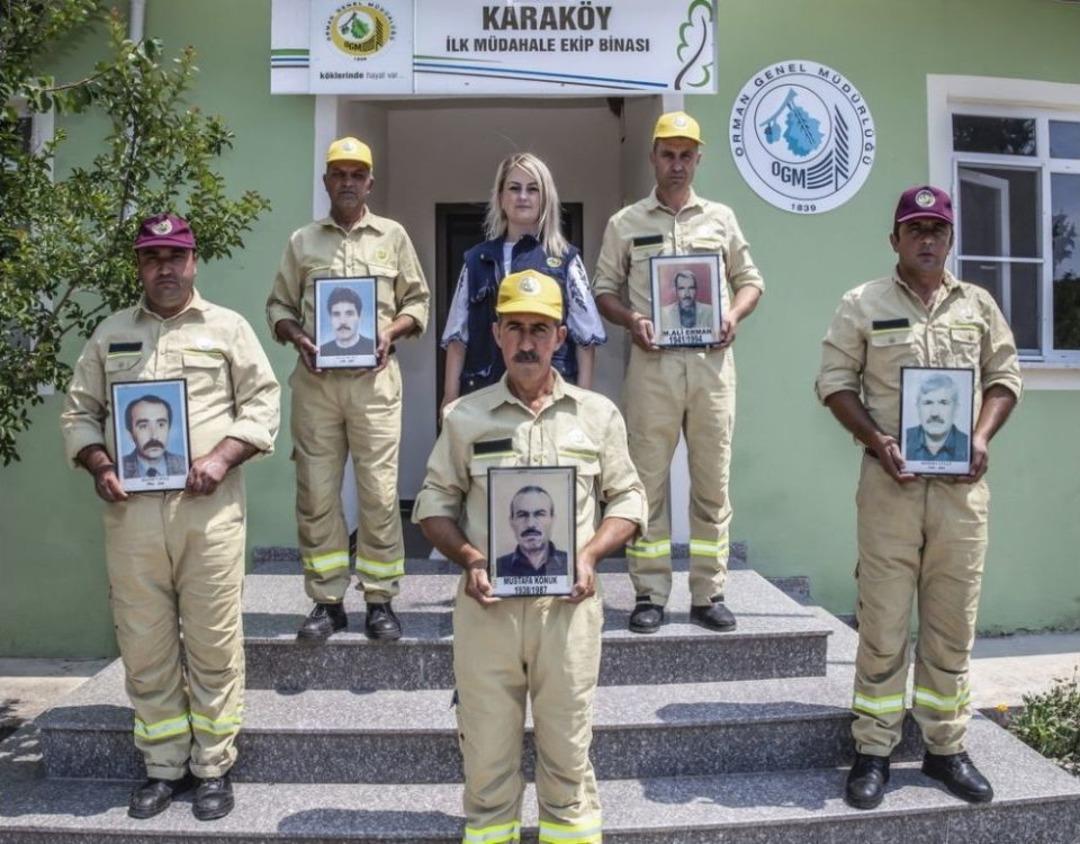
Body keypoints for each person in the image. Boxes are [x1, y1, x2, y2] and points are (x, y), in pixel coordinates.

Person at [61, 213, 280, 821]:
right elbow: (79, 413)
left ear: (193, 261)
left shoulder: (228, 329)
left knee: (213, 643)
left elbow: (264, 403)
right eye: (152, 257)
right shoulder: (110, 335)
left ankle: (213, 768)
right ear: (139, 265)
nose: (165, 267)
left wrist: (222, 455)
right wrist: (100, 463)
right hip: (131, 519)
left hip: (206, 514)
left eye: (175, 256)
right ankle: (162, 767)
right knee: (145, 644)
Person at [414, 269, 646, 844]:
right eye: (515, 327)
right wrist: (469, 556)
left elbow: (631, 498)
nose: (526, 341)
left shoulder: (597, 415)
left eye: (539, 329)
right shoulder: (465, 418)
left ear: (560, 338)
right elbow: (432, 503)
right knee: (488, 760)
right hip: (487, 613)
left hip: (567, 614)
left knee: (567, 757)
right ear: (496, 334)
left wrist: (591, 553)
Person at [815, 185, 1022, 810]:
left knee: (952, 624)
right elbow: (832, 382)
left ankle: (945, 749)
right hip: (890, 488)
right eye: (915, 229)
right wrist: (877, 440)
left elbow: (1005, 377)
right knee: (881, 622)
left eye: (937, 229)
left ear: (950, 238)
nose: (927, 239)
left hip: (961, 495)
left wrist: (980, 437)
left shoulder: (978, 306)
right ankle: (874, 750)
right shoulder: (863, 303)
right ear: (895, 239)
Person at [592, 110, 764, 634]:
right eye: (668, 154)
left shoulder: (721, 219)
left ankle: (708, 592)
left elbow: (751, 281)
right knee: (647, 484)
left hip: (712, 371)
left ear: (698, 158)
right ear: (653, 157)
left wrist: (732, 315)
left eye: (686, 155)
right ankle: (649, 592)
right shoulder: (626, 223)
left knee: (712, 484)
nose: (677, 164)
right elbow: (603, 291)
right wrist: (632, 319)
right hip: (653, 369)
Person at [267, 136, 430, 642]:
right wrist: (298, 338)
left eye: (357, 174)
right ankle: (327, 601)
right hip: (316, 387)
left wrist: (390, 332)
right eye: (339, 173)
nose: (348, 182)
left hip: (375, 386)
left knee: (380, 496)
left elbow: (418, 303)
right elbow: (278, 308)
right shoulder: (302, 242)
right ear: (326, 181)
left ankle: (380, 600)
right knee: (316, 495)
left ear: (370, 183)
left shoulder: (393, 237)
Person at [441, 152, 605, 408]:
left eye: (532, 189)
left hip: (551, 397)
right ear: (500, 197)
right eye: (514, 188)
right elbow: (456, 337)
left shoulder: (565, 260)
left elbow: (586, 339)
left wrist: (582, 401)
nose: (523, 197)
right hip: (486, 394)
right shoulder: (477, 260)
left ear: (545, 198)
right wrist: (449, 398)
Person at [494, 485, 568, 578]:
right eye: (522, 515)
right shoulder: (497, 568)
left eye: (540, 514)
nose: (530, 524)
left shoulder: (570, 565)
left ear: (552, 520)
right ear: (511, 522)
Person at [905, 372, 970, 462]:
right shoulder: (903, 441)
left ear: (956, 409)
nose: (934, 413)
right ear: (918, 408)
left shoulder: (969, 446)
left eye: (943, 403)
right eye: (928, 403)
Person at [121, 395, 187, 479]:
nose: (154, 436)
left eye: (161, 425)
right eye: (143, 426)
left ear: (169, 429)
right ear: (130, 434)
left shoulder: (185, 465)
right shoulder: (118, 470)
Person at [319, 285, 375, 358]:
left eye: (349, 314)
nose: (343, 321)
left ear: (360, 316)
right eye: (336, 314)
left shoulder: (373, 348)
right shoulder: (321, 352)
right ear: (330, 318)